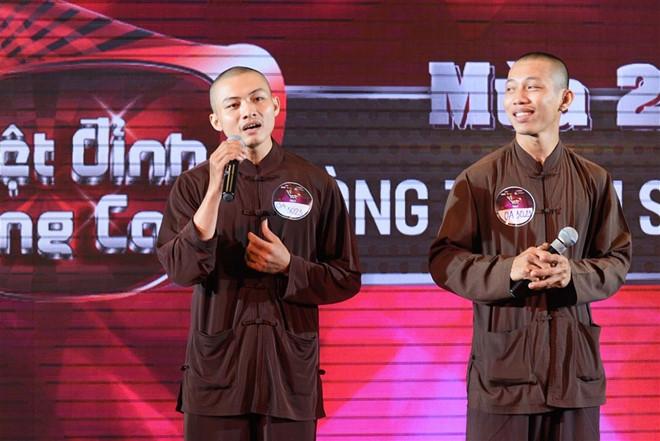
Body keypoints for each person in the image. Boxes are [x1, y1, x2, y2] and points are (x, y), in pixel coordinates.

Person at [428, 52, 631, 441]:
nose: (518, 98)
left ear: (565, 99)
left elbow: (617, 260)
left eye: (532, 87)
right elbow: (445, 260)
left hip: (575, 377)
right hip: (502, 378)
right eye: (510, 89)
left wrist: (574, 274)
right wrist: (510, 270)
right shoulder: (478, 179)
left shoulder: (594, 180)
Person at [157, 66, 361, 441]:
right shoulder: (193, 186)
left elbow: (346, 277)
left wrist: (290, 267)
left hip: (288, 374)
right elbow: (181, 270)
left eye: (257, 99)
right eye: (233, 104)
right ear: (217, 120)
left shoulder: (316, 183)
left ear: (275, 106)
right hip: (217, 374)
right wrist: (215, 189)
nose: (248, 111)